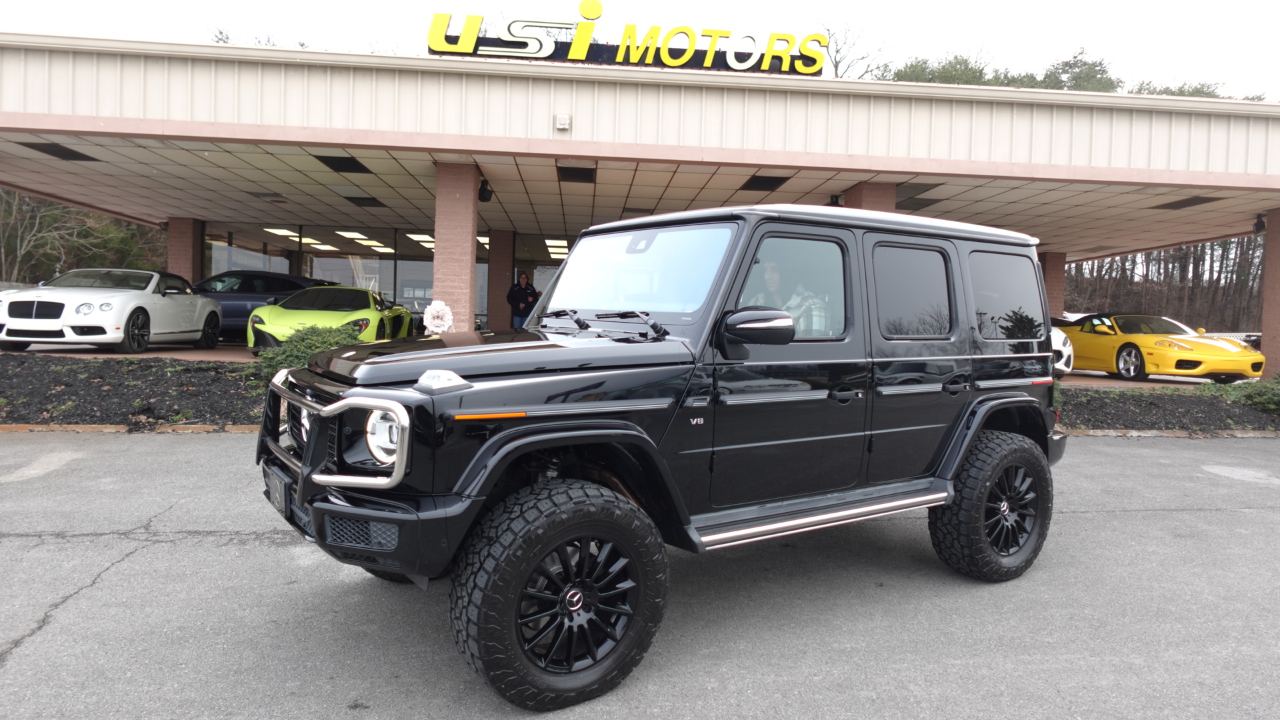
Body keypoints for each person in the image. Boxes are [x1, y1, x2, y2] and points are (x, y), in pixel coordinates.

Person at [743, 256, 827, 337]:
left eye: (774, 269)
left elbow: (808, 350)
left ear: (786, 272)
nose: (767, 276)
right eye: (765, 270)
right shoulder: (758, 301)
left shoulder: (811, 307)